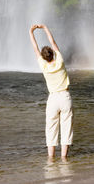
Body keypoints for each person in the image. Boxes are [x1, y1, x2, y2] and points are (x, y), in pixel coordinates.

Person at [29, 24, 73, 159]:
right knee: (66, 128)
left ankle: (50, 158)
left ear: (43, 57)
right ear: (53, 53)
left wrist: (31, 31)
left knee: (51, 128)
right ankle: (64, 158)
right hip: (65, 96)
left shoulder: (43, 66)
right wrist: (45, 27)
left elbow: (35, 48)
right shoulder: (60, 61)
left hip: (53, 99)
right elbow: (53, 42)